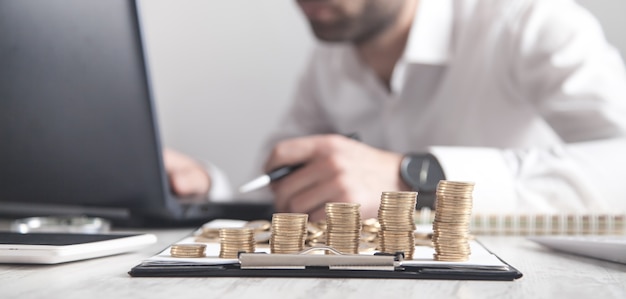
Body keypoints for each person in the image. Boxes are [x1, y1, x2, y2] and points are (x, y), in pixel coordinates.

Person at [168, 0, 626, 222]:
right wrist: (207, 187)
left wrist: (418, 177)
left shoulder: (529, 22)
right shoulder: (330, 60)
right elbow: (289, 185)